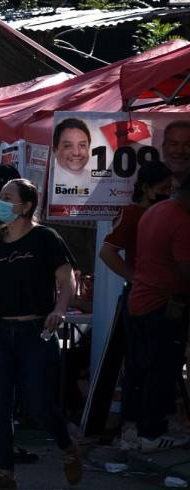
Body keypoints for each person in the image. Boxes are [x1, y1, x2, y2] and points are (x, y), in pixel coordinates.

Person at [0, 178, 81, 489]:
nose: (1, 202)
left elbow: (67, 278)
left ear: (27, 205)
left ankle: (67, 447)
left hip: (34, 331)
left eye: (8, 197)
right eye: (1, 197)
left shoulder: (45, 238)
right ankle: (4, 472)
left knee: (38, 403)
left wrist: (59, 308)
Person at [123, 170, 190, 455]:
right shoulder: (181, 221)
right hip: (162, 305)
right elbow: (186, 270)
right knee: (161, 370)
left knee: (140, 369)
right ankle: (150, 433)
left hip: (139, 300)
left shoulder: (154, 211)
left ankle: (136, 429)